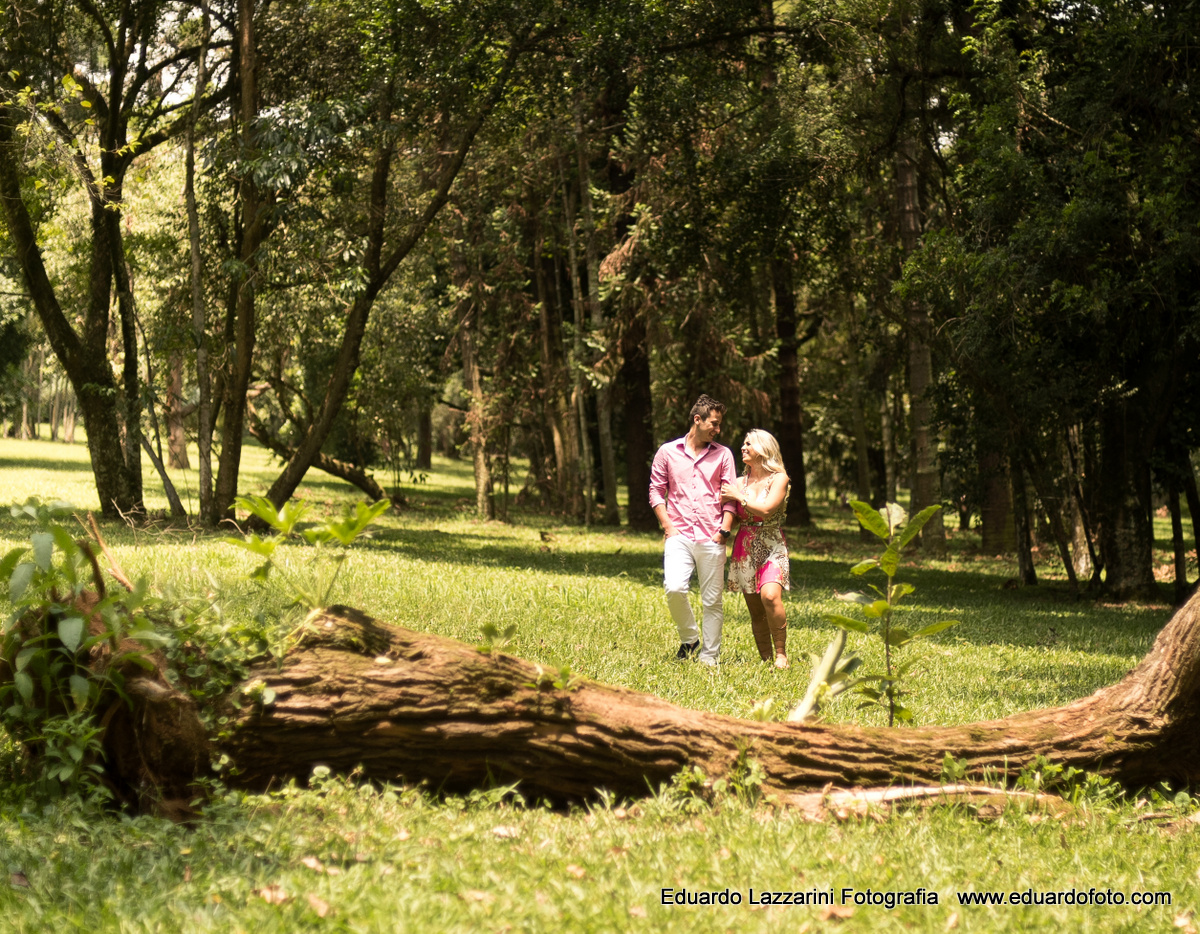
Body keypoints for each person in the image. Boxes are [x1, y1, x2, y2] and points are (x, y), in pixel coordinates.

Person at [648, 394, 738, 666]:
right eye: (714, 423)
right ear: (697, 420)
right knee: (674, 588)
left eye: (719, 424)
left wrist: (724, 531)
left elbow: (731, 497)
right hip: (680, 534)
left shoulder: (723, 454)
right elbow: (656, 491)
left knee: (712, 601)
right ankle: (690, 638)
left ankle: (709, 657)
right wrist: (668, 526)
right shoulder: (667, 452)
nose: (718, 429)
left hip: (713, 535)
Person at [722, 429, 792, 669]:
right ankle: (766, 659)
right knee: (755, 610)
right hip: (744, 546)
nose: (743, 447)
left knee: (770, 596)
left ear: (763, 448)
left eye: (748, 444)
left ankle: (781, 654)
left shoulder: (779, 478)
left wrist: (737, 497)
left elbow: (767, 510)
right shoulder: (739, 483)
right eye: (743, 444)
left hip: (772, 544)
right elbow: (731, 515)